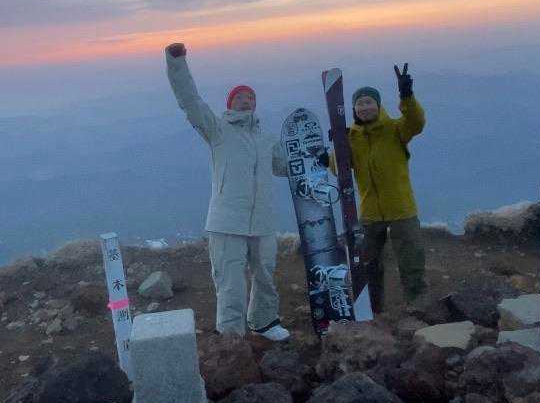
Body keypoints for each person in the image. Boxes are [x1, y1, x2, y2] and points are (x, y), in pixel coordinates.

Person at [164, 42, 292, 341]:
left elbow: (287, 167)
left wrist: (320, 157)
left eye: (250, 97)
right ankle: (231, 337)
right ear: (230, 103)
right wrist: (176, 63)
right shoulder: (217, 130)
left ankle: (264, 322)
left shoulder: (267, 139)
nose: (246, 101)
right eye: (240, 97)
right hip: (226, 221)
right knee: (230, 282)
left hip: (262, 220)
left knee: (265, 275)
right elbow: (190, 101)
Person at [321, 63, 427, 313]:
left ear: (378, 106)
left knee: (411, 260)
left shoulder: (395, 129)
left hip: (401, 208)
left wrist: (407, 95)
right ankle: (374, 309)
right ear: (354, 109)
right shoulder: (352, 137)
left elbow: (416, 122)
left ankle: (418, 306)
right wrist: (334, 150)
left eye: (369, 102)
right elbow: (340, 169)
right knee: (369, 264)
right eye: (360, 103)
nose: (365, 107)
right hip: (369, 211)